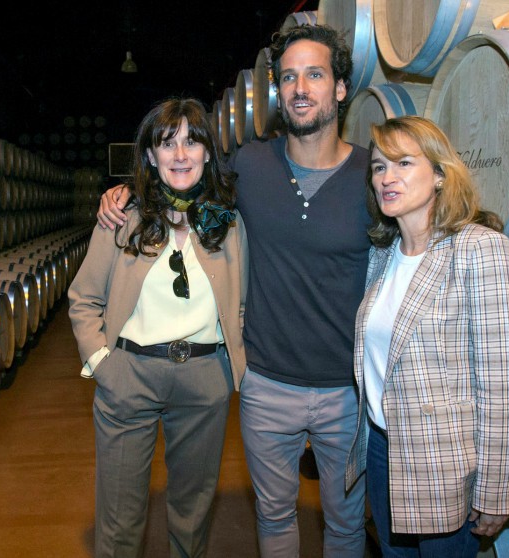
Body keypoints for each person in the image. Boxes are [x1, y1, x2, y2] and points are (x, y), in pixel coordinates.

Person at [98, 24, 370, 558]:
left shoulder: (371, 176)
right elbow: (186, 183)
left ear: (339, 88)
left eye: (315, 75)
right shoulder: (250, 166)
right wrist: (129, 191)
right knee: (273, 518)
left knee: (345, 526)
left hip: (348, 391)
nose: (300, 88)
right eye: (288, 77)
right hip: (265, 383)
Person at [344, 116, 509, 557]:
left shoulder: (481, 250)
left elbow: (505, 386)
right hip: (381, 452)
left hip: (447, 467)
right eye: (377, 167)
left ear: (440, 174)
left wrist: (496, 491)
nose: (387, 177)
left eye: (404, 163)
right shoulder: (383, 256)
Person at [69, 97, 247, 558]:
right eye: (167, 144)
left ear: (208, 152)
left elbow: (241, 303)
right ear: (150, 155)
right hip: (130, 374)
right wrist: (103, 364)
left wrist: (227, 370)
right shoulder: (123, 219)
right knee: (119, 520)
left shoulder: (224, 223)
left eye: (192, 142)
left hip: (204, 379)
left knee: (192, 513)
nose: (181, 154)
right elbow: (83, 298)